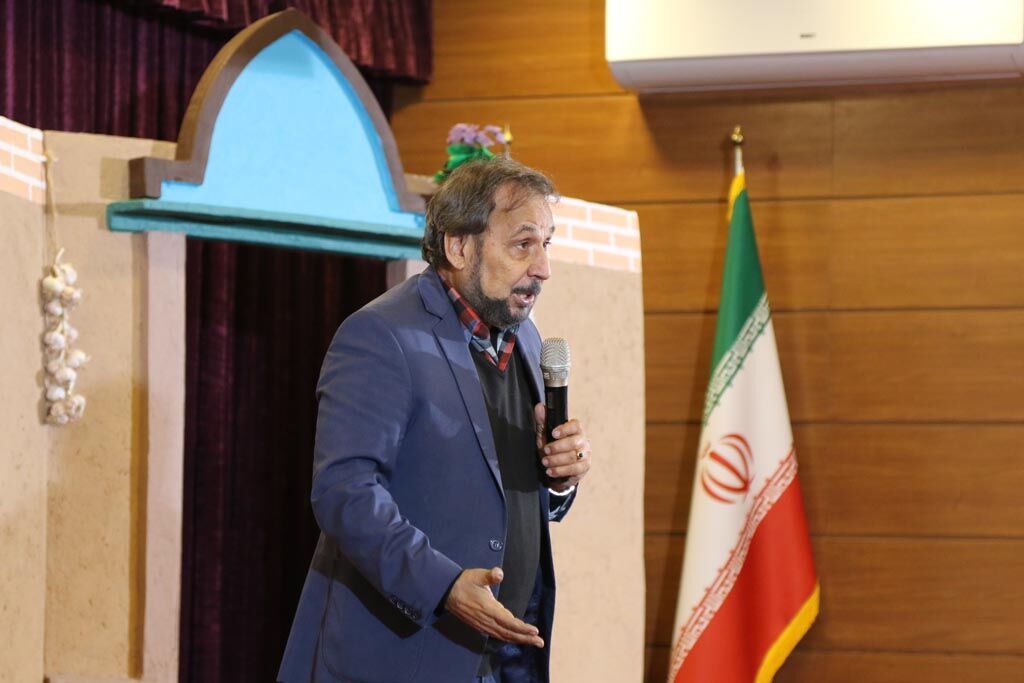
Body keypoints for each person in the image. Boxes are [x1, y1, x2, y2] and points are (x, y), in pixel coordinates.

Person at [278, 158, 593, 683]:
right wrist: (444, 587)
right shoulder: (380, 335)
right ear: (459, 246)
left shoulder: (526, 338)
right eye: (523, 244)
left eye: (546, 244)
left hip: (504, 661)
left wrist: (558, 478)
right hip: (403, 660)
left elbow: (503, 492)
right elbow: (344, 492)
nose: (543, 268)